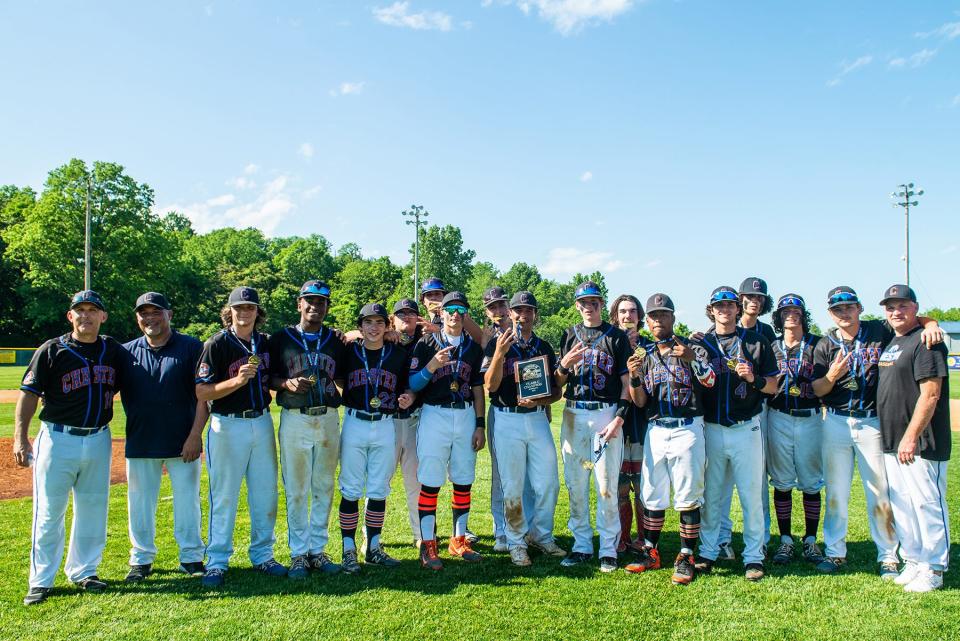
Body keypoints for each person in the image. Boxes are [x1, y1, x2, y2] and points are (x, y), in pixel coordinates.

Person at [811, 285, 942, 578]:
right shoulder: (825, 344)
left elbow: (913, 319)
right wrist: (832, 376)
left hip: (872, 421)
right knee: (836, 491)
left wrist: (932, 323)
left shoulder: (877, 330)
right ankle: (835, 552)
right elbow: (816, 388)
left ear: (859, 308)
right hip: (835, 421)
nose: (844, 313)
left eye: (849, 307)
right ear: (831, 314)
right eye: (837, 309)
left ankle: (888, 556)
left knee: (880, 492)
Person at [16, 290, 123, 606]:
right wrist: (20, 438)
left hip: (99, 437)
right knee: (49, 512)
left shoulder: (112, 350)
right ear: (70, 316)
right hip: (58, 438)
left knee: (93, 509)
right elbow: (29, 395)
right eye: (80, 310)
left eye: (93, 310)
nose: (86, 315)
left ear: (103, 317)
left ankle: (84, 571)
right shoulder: (52, 350)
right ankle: (40, 580)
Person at [195, 286, 286, 587]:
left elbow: (272, 376)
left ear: (258, 312)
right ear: (229, 311)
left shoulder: (265, 342)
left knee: (265, 493)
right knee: (224, 495)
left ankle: (262, 555)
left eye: (250, 307)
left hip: (260, 421)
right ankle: (217, 561)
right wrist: (236, 380)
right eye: (239, 308)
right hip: (227, 424)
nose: (244, 312)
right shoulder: (217, 343)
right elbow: (202, 391)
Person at [624, 293, 715, 585]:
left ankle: (687, 554)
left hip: (688, 426)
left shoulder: (691, 348)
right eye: (653, 316)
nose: (658, 320)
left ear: (673, 317)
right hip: (657, 427)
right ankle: (651, 552)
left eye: (663, 314)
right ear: (647, 321)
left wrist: (692, 359)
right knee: (653, 493)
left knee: (688, 495)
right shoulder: (645, 354)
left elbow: (711, 381)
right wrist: (634, 377)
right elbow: (639, 402)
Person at [120, 292, 206, 583]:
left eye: (156, 312)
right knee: (140, 503)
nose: (150, 318)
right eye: (144, 313)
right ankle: (141, 559)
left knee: (188, 501)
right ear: (137, 318)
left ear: (169, 314)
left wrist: (196, 435)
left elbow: (203, 398)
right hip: (141, 439)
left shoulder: (192, 347)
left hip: (183, 440)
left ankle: (191, 556)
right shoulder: (126, 351)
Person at [694, 286, 778, 581]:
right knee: (713, 495)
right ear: (711, 309)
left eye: (730, 305)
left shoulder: (756, 342)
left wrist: (753, 378)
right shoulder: (702, 343)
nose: (724, 310)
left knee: (751, 495)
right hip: (713, 428)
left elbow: (773, 386)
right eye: (719, 305)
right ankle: (707, 551)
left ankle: (754, 556)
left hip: (747, 427)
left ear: (737, 308)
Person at [876, 284, 950, 592]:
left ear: (915, 308)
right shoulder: (895, 339)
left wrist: (911, 436)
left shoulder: (926, 341)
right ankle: (915, 559)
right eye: (890, 307)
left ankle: (934, 567)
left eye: (903, 306)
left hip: (920, 441)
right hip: (894, 440)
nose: (896, 311)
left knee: (926, 504)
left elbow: (931, 394)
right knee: (903, 505)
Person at [268, 280, 344, 578]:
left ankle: (318, 551)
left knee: (324, 485)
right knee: (297, 488)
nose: (315, 306)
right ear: (299, 303)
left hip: (327, 418)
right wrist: (286, 384)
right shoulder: (280, 340)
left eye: (321, 301)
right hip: (295, 417)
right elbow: (269, 377)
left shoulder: (336, 340)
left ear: (327, 306)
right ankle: (299, 553)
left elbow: (346, 375)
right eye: (309, 300)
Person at [483, 291, 565, 566]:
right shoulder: (498, 341)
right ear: (511, 313)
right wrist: (499, 354)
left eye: (528, 310)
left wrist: (540, 400)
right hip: (507, 417)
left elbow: (556, 392)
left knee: (548, 483)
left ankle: (541, 535)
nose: (522, 315)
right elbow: (490, 387)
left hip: (536, 417)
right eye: (518, 310)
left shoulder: (543, 346)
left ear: (534, 314)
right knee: (512, 485)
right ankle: (516, 541)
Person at [555, 281, 632, 573]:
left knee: (606, 485)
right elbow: (557, 382)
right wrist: (564, 364)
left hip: (605, 413)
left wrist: (619, 418)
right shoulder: (568, 334)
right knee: (576, 483)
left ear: (602, 304)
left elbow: (626, 384)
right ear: (577, 306)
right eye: (584, 302)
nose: (589, 307)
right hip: (574, 411)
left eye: (594, 302)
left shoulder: (616, 337)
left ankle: (608, 549)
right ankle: (582, 544)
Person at [409, 291, 487, 570]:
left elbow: (478, 388)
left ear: (465, 315)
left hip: (465, 413)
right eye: (450, 309)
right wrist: (431, 366)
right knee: (430, 480)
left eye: (460, 310)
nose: (455, 314)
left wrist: (480, 424)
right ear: (440, 313)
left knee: (463, 478)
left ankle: (458, 539)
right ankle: (428, 544)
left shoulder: (473, 348)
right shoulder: (426, 342)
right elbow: (414, 385)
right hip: (434, 413)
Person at [335, 303, 414, 573]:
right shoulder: (349, 351)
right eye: (368, 322)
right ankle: (348, 550)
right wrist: (351, 335)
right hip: (355, 421)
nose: (373, 327)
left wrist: (407, 396)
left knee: (379, 488)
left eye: (379, 322)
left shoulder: (397, 353)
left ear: (387, 326)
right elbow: (340, 342)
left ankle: (374, 547)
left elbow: (407, 385)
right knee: (351, 488)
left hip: (385, 424)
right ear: (360, 326)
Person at [765, 294, 826, 567]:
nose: (791, 314)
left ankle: (811, 540)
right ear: (778, 316)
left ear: (803, 314)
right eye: (786, 310)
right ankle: (787, 540)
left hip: (810, 417)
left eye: (796, 310)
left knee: (811, 482)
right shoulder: (771, 346)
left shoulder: (817, 343)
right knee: (782, 481)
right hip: (778, 416)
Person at [482, 286, 536, 553]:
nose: (498, 310)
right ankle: (501, 531)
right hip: (501, 411)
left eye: (501, 305)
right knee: (501, 475)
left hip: (530, 414)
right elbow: (488, 383)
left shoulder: (525, 334)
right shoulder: (488, 335)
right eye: (492, 307)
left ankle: (525, 529)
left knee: (527, 476)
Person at [608, 294, 652, 556]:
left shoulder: (649, 346)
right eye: (623, 311)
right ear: (615, 315)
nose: (628, 316)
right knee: (620, 485)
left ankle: (644, 539)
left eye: (633, 311)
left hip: (643, 422)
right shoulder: (609, 343)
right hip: (616, 420)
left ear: (640, 316)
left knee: (643, 486)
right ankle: (622, 538)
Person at [390, 298, 426, 547]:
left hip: (415, 418)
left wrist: (413, 395)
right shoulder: (381, 340)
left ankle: (421, 536)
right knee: (379, 482)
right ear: (392, 319)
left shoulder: (425, 344)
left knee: (416, 482)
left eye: (411, 314)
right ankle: (371, 538)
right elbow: (350, 335)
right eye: (400, 314)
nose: (406, 318)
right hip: (387, 421)